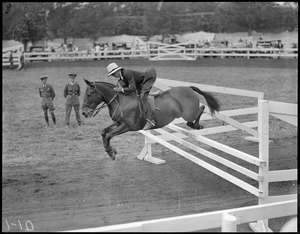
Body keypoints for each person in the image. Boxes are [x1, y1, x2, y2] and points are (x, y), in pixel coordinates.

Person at [106, 62, 156, 130]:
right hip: (140, 83)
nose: (113, 75)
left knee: (142, 98)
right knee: (137, 96)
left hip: (148, 78)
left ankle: (151, 121)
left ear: (117, 71)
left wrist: (121, 89)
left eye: (113, 74)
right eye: (112, 74)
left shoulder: (127, 73)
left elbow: (133, 88)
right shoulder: (121, 78)